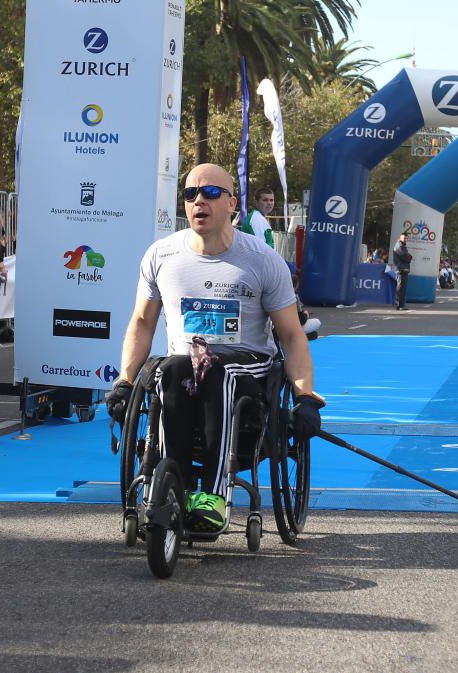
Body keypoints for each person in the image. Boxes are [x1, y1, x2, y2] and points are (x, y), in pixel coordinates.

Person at [105, 163, 323, 531]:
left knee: (214, 367)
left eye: (209, 193)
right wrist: (125, 382)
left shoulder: (262, 260)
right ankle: (171, 484)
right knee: (171, 368)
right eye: (190, 194)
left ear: (232, 203)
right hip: (184, 364)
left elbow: (290, 335)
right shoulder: (161, 255)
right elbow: (142, 323)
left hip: (247, 365)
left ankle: (214, 495)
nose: (198, 201)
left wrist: (304, 397)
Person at [392, 232, 412, 310]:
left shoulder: (402, 246)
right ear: (400, 238)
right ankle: (399, 305)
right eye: (404, 238)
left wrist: (409, 256)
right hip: (400, 269)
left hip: (404, 269)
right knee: (400, 287)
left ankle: (401, 305)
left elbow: (407, 256)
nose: (405, 239)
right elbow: (406, 257)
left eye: (406, 238)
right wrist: (409, 257)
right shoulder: (398, 246)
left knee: (403, 287)